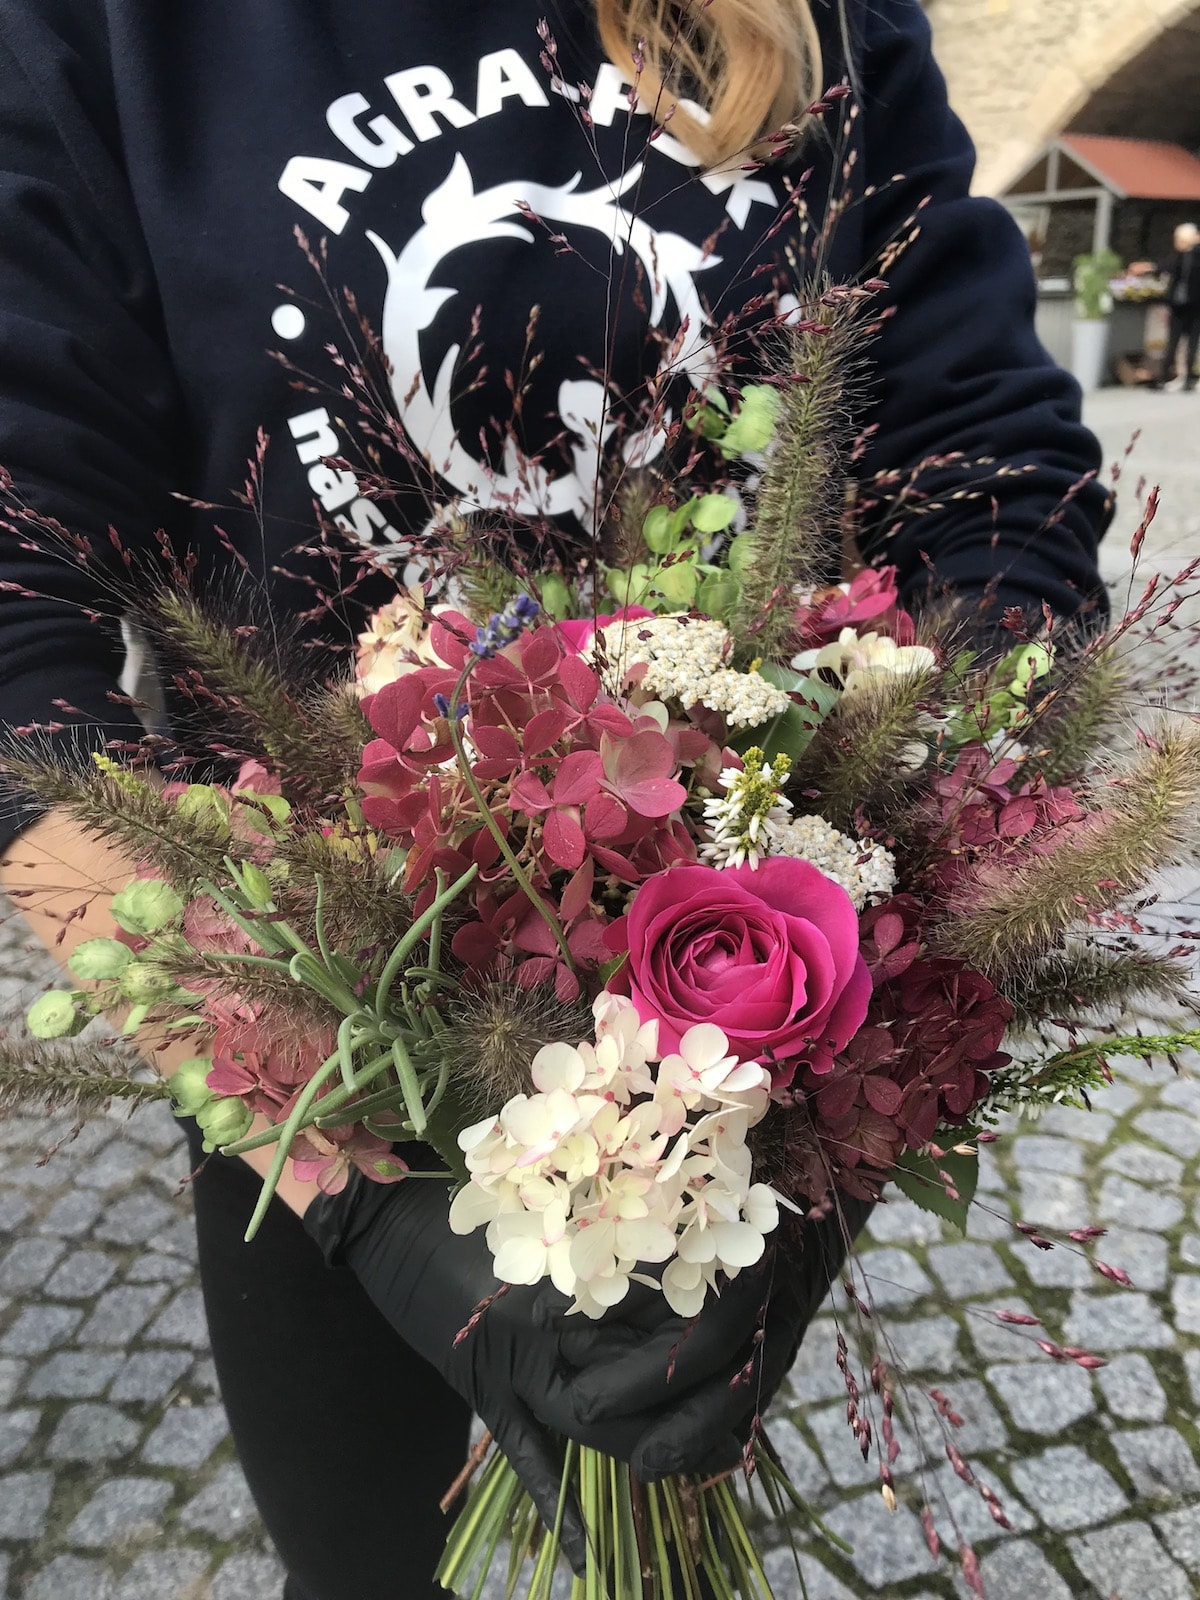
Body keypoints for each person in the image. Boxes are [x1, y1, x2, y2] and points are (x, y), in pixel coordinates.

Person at [0, 2, 1110, 1597]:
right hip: (319, 1037)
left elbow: (995, 473)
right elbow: (16, 644)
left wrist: (864, 972)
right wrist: (342, 1176)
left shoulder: (820, 20)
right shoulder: (107, 32)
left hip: (741, 1029)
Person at [1135, 222, 1200, 391]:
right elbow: (1167, 266)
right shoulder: (1180, 256)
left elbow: (1169, 266)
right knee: (1178, 341)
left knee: (1185, 342)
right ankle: (1172, 377)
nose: (1176, 242)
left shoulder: (1192, 255)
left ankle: (1182, 378)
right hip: (1181, 304)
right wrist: (1150, 267)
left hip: (1192, 306)